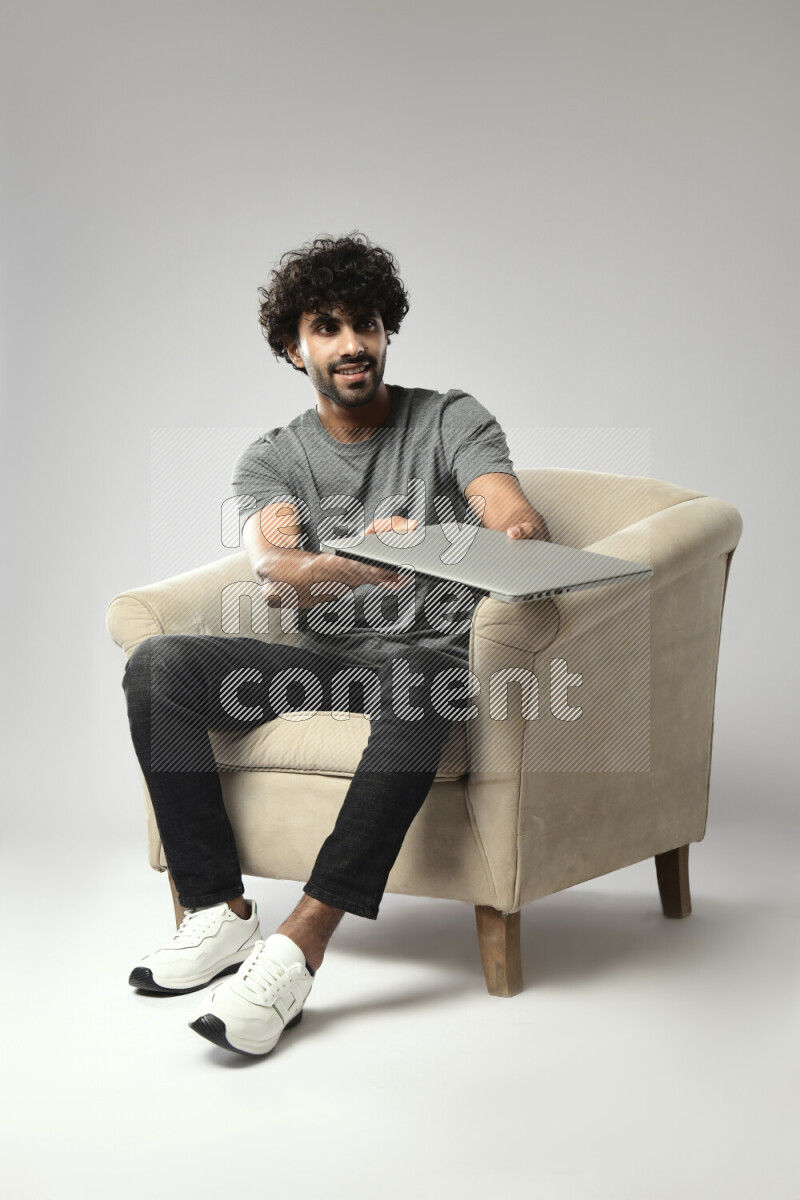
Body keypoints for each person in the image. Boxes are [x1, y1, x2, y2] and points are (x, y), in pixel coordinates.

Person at [122, 231, 549, 1058]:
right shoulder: (275, 457)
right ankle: (217, 913)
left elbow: (510, 512)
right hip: (335, 668)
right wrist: (361, 564)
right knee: (159, 665)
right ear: (294, 347)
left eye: (367, 323)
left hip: (437, 663)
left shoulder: (450, 418)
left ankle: (300, 945)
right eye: (328, 326)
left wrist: (480, 534)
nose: (352, 343)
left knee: (423, 679)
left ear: (388, 332)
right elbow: (275, 563)